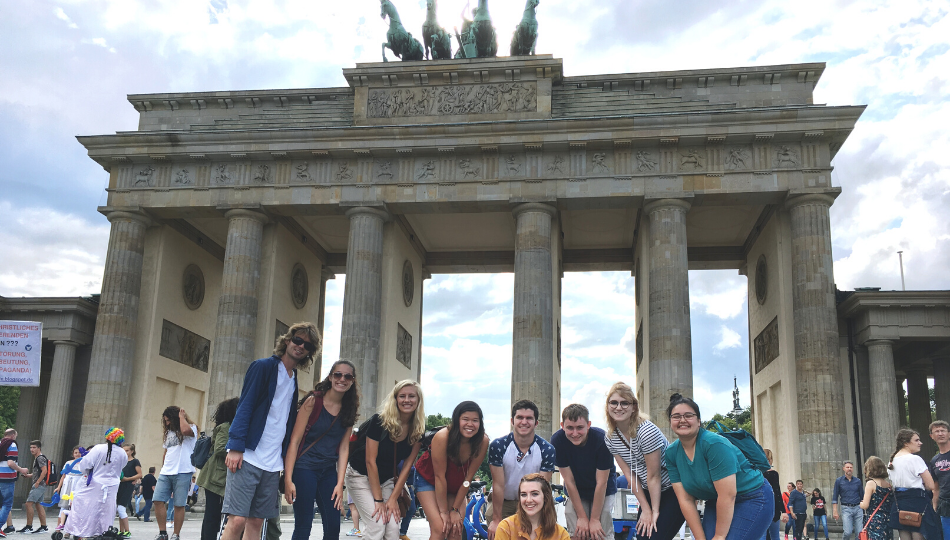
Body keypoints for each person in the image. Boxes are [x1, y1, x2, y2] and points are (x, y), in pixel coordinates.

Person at [222, 322, 320, 540]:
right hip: (248, 455)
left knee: (256, 521)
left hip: (272, 461)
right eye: (297, 340)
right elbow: (245, 405)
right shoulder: (263, 367)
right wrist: (236, 445)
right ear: (287, 341)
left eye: (307, 345)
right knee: (237, 519)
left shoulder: (294, 379)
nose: (301, 346)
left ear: (309, 353)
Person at [665, 393, 773, 540]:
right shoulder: (671, 453)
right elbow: (685, 500)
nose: (682, 420)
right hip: (716, 500)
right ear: (670, 421)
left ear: (698, 420)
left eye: (688, 415)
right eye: (676, 416)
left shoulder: (714, 444)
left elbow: (727, 495)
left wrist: (720, 536)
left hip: (752, 497)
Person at [284, 359, 359, 540]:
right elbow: (294, 441)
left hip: (328, 471)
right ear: (330, 377)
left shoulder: (349, 408)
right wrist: (288, 478)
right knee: (304, 525)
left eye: (347, 376)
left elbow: (343, 448)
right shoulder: (313, 401)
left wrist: (340, 485)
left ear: (352, 381)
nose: (342, 379)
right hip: (304, 468)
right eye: (338, 374)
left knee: (333, 526)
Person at [604, 382, 684, 540]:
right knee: (642, 536)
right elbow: (629, 474)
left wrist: (654, 512)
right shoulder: (610, 438)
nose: (618, 407)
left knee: (655, 536)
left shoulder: (646, 431)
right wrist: (645, 509)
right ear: (607, 406)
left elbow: (654, 475)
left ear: (634, 407)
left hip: (674, 487)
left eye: (624, 402)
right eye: (613, 402)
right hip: (649, 490)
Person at [346, 380, 425, 540]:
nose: (407, 400)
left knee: (393, 528)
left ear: (418, 400)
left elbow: (408, 465)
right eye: (402, 396)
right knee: (377, 523)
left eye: (411, 396)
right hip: (359, 475)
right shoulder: (379, 421)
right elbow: (370, 461)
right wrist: (379, 500)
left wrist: (393, 499)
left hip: (386, 480)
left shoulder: (418, 428)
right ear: (395, 399)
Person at [414, 401, 490, 540]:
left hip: (456, 483)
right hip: (429, 479)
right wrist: (444, 512)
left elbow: (468, 479)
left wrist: (455, 510)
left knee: (456, 529)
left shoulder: (482, 441)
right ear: (456, 420)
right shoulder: (443, 437)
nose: (470, 424)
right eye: (465, 419)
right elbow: (439, 477)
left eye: (475, 420)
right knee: (440, 528)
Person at [487, 399, 556, 540]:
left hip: (533, 500)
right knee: (498, 529)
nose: (524, 422)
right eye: (520, 417)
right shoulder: (498, 446)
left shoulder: (547, 449)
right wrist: (496, 520)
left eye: (529, 418)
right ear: (512, 421)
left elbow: (541, 488)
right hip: (503, 501)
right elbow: (498, 485)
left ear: (536, 423)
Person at [550, 403, 618, 540]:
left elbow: (601, 482)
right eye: (570, 428)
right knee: (577, 526)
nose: (575, 434)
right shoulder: (557, 441)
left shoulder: (602, 439)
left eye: (580, 428)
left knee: (599, 528)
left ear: (588, 425)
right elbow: (569, 481)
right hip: (577, 489)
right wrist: (582, 517)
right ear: (562, 426)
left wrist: (594, 519)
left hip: (602, 488)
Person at [65, 428, 130, 539]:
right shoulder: (122, 453)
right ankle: (103, 531)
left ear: (107, 437)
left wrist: (88, 472)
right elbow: (122, 466)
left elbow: (85, 464)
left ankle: (81, 531)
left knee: (84, 506)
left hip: (95, 483)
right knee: (106, 510)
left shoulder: (99, 448)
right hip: (113, 485)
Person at [153, 405, 198, 540]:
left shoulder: (192, 428)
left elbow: (184, 430)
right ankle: (162, 533)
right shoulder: (168, 433)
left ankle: (176, 534)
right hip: (166, 472)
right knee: (157, 500)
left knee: (179, 504)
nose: (167, 423)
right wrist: (162, 468)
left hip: (183, 471)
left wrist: (181, 417)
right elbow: (166, 452)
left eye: (169, 420)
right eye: (165, 421)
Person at [887, 428, 939, 540]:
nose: (920, 443)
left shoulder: (891, 461)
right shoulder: (915, 459)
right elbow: (930, 485)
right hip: (917, 500)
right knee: (919, 533)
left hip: (899, 501)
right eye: (916, 440)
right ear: (906, 443)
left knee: (904, 533)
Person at [198, 396, 238, 540]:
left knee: (216, 515)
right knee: (212, 515)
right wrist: (238, 451)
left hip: (220, 476)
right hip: (215, 476)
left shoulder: (230, 426)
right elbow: (220, 448)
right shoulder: (225, 427)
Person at [493, 473, 570, 540]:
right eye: (524, 495)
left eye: (535, 494)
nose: (528, 500)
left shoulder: (561, 535)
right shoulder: (506, 527)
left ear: (546, 497)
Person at [0, 429, 28, 537]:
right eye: (16, 435)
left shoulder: (0, 443)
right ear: (12, 435)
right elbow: (11, 462)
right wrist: (21, 470)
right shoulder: (11, 445)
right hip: (7, 478)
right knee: (7, 504)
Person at [19, 440, 50, 534]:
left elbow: (44, 471)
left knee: (28, 504)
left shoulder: (39, 458)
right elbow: (39, 472)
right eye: (31, 447)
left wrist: (37, 482)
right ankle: (43, 527)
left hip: (39, 485)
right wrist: (28, 476)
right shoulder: (38, 458)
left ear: (39, 448)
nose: (31, 449)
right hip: (41, 484)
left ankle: (29, 526)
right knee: (38, 504)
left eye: (34, 447)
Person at [859, 456, 893, 540]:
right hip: (887, 519)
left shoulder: (871, 483)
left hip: (874, 520)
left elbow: (865, 505)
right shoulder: (888, 485)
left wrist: (861, 504)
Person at [53, 446, 85, 532]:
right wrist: (58, 487)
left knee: (74, 508)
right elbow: (63, 476)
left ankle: (70, 530)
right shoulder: (68, 462)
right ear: (73, 454)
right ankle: (58, 528)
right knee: (63, 507)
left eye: (79, 452)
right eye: (75, 453)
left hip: (77, 485)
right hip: (67, 485)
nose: (78, 454)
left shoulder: (84, 463)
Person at [928, 420, 949, 540]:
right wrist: (934, 506)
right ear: (932, 436)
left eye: (943, 430)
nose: (940, 433)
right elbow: (936, 487)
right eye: (937, 431)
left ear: (949, 434)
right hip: (945, 505)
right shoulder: (934, 460)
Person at [832, 461, 864, 540]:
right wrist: (835, 511)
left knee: (859, 533)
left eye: (851, 467)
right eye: (847, 467)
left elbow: (862, 496)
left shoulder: (858, 481)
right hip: (846, 508)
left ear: (853, 469)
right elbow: (835, 496)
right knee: (847, 532)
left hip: (858, 508)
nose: (849, 469)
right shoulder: (839, 481)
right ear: (843, 469)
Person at [116, 443, 142, 538]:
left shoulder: (135, 461)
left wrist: (128, 479)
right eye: (124, 450)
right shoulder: (121, 461)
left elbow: (139, 474)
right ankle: (121, 531)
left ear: (132, 451)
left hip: (128, 485)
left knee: (121, 508)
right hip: (119, 485)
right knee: (119, 509)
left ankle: (127, 531)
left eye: (127, 450)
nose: (125, 452)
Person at [760, 449, 786, 540]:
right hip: (773, 508)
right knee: (775, 536)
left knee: (762, 536)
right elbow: (777, 493)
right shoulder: (773, 474)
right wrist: (784, 511)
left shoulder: (757, 473)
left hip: (762, 507)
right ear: (770, 460)